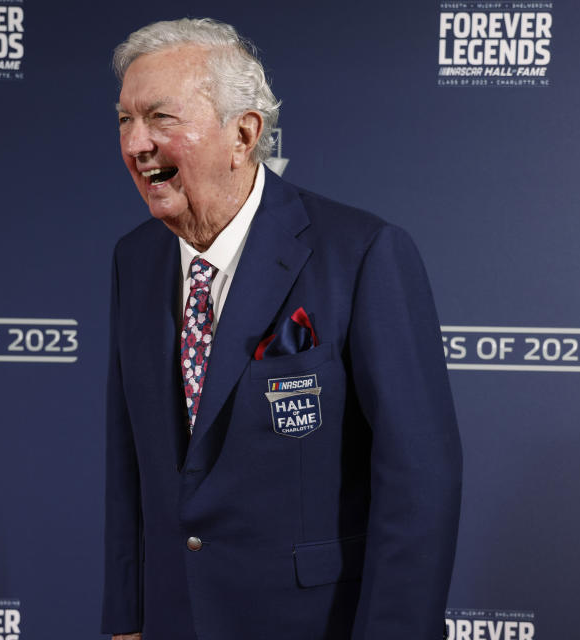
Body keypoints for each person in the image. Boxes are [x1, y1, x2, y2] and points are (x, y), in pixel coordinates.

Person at [103, 18, 462, 640]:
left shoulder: (363, 253)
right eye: (125, 120)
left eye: (161, 119)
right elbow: (129, 457)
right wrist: (127, 618)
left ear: (242, 134)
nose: (137, 144)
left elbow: (420, 479)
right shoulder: (133, 260)